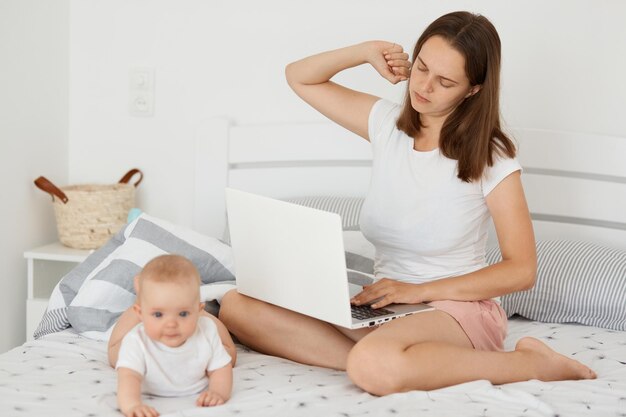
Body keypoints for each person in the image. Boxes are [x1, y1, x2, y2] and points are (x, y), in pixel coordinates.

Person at [218, 11, 596, 395]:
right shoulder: (387, 126)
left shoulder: (490, 156)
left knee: (373, 363)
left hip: (456, 309)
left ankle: (526, 362)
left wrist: (419, 290)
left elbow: (522, 270)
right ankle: (380, 361)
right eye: (421, 68)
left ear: (473, 90)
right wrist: (365, 51)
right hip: (387, 305)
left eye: (445, 81)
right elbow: (298, 76)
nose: (424, 87)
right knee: (236, 306)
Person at [115, 255, 233, 417]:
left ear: (199, 311)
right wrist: (132, 405)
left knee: (229, 352)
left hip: (196, 392)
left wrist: (217, 392)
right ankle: (142, 294)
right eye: (158, 314)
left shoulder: (207, 330)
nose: (171, 324)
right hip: (151, 393)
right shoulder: (136, 340)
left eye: (183, 313)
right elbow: (129, 377)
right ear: (140, 314)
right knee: (115, 352)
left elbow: (221, 368)